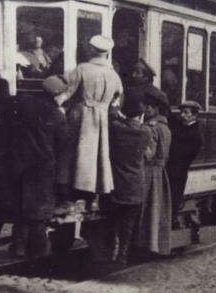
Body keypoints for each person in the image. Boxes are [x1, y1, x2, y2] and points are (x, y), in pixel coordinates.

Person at [55, 34, 123, 201]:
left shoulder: (82, 68)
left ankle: (70, 193)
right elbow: (118, 96)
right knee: (97, 154)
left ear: (92, 50)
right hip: (101, 119)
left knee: (74, 153)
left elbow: (67, 93)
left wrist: (56, 101)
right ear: (107, 53)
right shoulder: (113, 74)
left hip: (82, 115)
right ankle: (92, 195)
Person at [9, 75, 69, 259]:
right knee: (39, 210)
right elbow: (64, 142)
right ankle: (39, 249)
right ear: (57, 94)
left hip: (21, 162)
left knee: (22, 206)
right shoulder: (56, 115)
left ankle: (19, 246)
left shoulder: (25, 107)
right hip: (43, 166)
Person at [108, 89, 150, 266]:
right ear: (140, 115)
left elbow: (112, 117)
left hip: (117, 185)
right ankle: (123, 255)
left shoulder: (117, 130)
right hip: (135, 186)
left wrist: (114, 103)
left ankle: (112, 251)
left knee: (114, 221)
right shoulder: (145, 132)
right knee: (129, 223)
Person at [136, 86, 173, 255]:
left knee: (146, 209)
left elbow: (148, 154)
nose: (147, 108)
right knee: (158, 210)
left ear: (158, 107)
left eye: (151, 106)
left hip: (148, 172)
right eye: (146, 105)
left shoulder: (150, 127)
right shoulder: (165, 126)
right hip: (160, 172)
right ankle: (155, 245)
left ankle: (144, 246)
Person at [167, 100, 203, 227]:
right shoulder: (183, 127)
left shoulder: (195, 135)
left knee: (173, 198)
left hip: (178, 172)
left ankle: (172, 222)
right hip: (173, 170)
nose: (182, 115)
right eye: (181, 112)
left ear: (194, 115)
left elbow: (181, 155)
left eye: (186, 112)